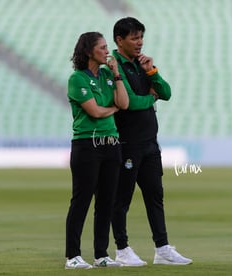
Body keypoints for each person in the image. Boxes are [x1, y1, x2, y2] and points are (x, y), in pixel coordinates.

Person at [110, 17, 193, 266]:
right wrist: (150, 97)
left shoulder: (141, 64)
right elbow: (130, 103)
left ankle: (162, 248)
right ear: (119, 40)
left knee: (155, 196)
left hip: (149, 144)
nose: (139, 42)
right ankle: (122, 250)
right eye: (134, 37)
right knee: (121, 199)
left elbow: (166, 93)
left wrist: (152, 73)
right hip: (127, 144)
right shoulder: (113, 67)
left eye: (141, 37)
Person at [65, 31, 129, 269]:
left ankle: (101, 255)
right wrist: (111, 109)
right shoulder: (77, 79)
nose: (107, 51)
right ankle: (72, 256)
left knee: (106, 201)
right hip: (87, 145)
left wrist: (117, 74)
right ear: (88, 51)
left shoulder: (108, 75)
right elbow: (95, 112)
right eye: (102, 47)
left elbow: (123, 103)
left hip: (111, 144)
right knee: (81, 200)